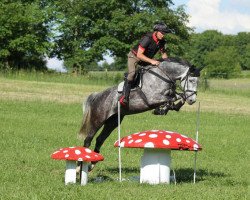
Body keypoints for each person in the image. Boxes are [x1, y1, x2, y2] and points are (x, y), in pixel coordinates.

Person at [119, 22, 171, 107]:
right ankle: (124, 96)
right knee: (132, 74)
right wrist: (152, 61)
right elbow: (139, 55)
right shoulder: (147, 38)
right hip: (134, 57)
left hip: (146, 59)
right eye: (162, 33)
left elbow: (164, 55)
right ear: (156, 31)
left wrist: (168, 65)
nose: (163, 35)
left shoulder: (162, 41)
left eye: (165, 33)